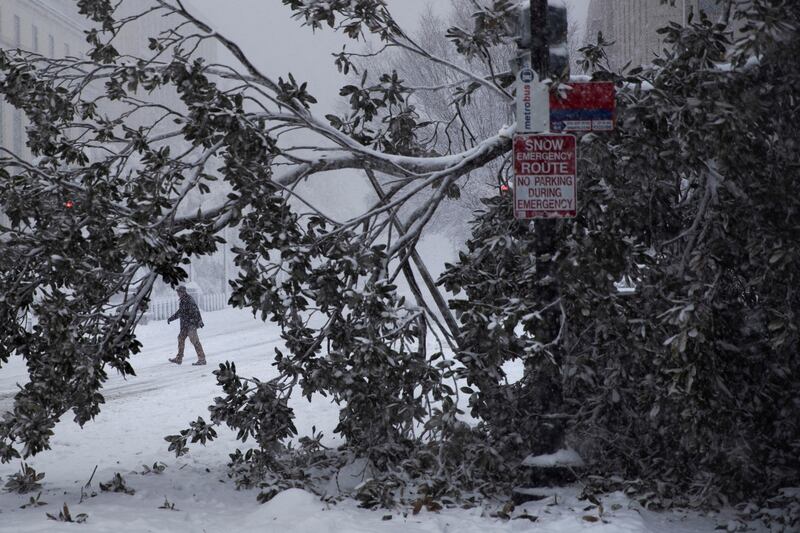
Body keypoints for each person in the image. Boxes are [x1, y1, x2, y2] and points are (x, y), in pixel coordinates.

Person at [167, 286, 207, 365]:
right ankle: (179, 358)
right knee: (181, 338)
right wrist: (171, 318)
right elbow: (180, 312)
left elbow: (196, 311)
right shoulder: (183, 301)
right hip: (185, 325)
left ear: (183, 292)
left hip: (191, 325)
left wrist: (199, 321)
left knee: (195, 341)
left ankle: (202, 359)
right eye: (178, 292)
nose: (178, 294)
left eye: (179, 292)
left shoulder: (189, 300)